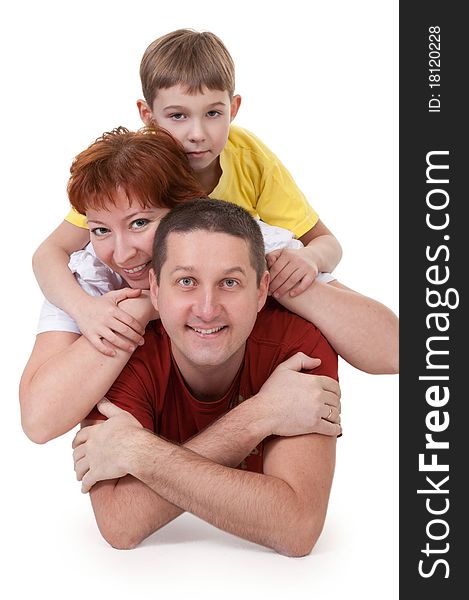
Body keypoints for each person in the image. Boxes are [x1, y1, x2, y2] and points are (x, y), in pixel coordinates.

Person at [29, 29, 398, 375]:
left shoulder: (250, 159)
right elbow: (50, 252)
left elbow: (325, 241)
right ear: (147, 115)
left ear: (233, 108)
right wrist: (84, 309)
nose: (197, 134)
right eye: (177, 116)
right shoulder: (132, 174)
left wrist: (308, 258)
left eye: (213, 113)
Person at [72, 198, 341, 556]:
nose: (207, 309)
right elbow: (121, 523)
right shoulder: (119, 348)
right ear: (154, 288)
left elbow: (297, 527)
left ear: (261, 290)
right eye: (186, 281)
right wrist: (261, 414)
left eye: (229, 282)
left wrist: (138, 452)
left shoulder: (298, 344)